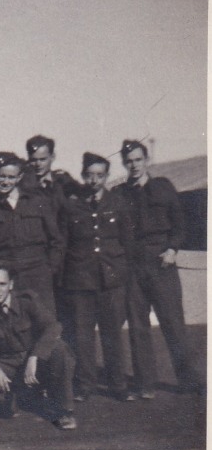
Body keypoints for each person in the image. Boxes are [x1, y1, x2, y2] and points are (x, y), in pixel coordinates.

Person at [113, 139, 204, 396]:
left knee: (173, 324)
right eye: (129, 161)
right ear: (124, 163)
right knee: (138, 327)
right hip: (133, 267)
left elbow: (180, 222)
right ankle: (146, 384)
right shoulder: (119, 194)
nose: (134, 165)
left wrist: (173, 249)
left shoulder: (163, 187)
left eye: (138, 160)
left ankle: (188, 381)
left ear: (147, 160)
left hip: (161, 262)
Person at [60, 153, 135, 402]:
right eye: (90, 175)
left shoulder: (118, 203)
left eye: (100, 175)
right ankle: (85, 385)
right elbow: (64, 243)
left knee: (112, 334)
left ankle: (118, 384)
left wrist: (122, 273)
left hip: (110, 280)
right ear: (83, 175)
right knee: (83, 336)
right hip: (81, 281)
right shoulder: (71, 206)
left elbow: (127, 241)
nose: (94, 180)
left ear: (107, 176)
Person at [0, 265, 77, 430]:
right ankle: (23, 395)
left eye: (2, 284)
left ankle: (64, 410)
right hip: (8, 364)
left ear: (11, 285)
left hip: (33, 360)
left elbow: (53, 326)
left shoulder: (26, 302)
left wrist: (35, 356)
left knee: (59, 349)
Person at [0, 152, 63, 315]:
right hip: (9, 276)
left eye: (11, 177)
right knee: (15, 321)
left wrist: (50, 269)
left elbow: (56, 240)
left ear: (19, 177)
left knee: (44, 319)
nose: (6, 181)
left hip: (38, 274)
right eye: (2, 176)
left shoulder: (38, 202)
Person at [23, 135, 77, 213]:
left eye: (43, 159)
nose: (38, 164)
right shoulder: (23, 184)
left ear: (52, 157)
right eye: (33, 160)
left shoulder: (63, 182)